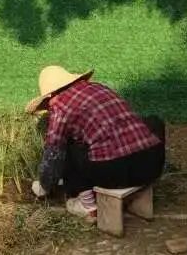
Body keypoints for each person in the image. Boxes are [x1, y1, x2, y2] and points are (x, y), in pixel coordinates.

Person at [26, 65, 165, 219]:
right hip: (152, 166)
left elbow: (54, 154)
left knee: (67, 146)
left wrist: (44, 185)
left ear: (51, 95)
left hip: (115, 172)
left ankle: (88, 207)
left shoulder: (61, 107)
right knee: (153, 121)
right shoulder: (99, 88)